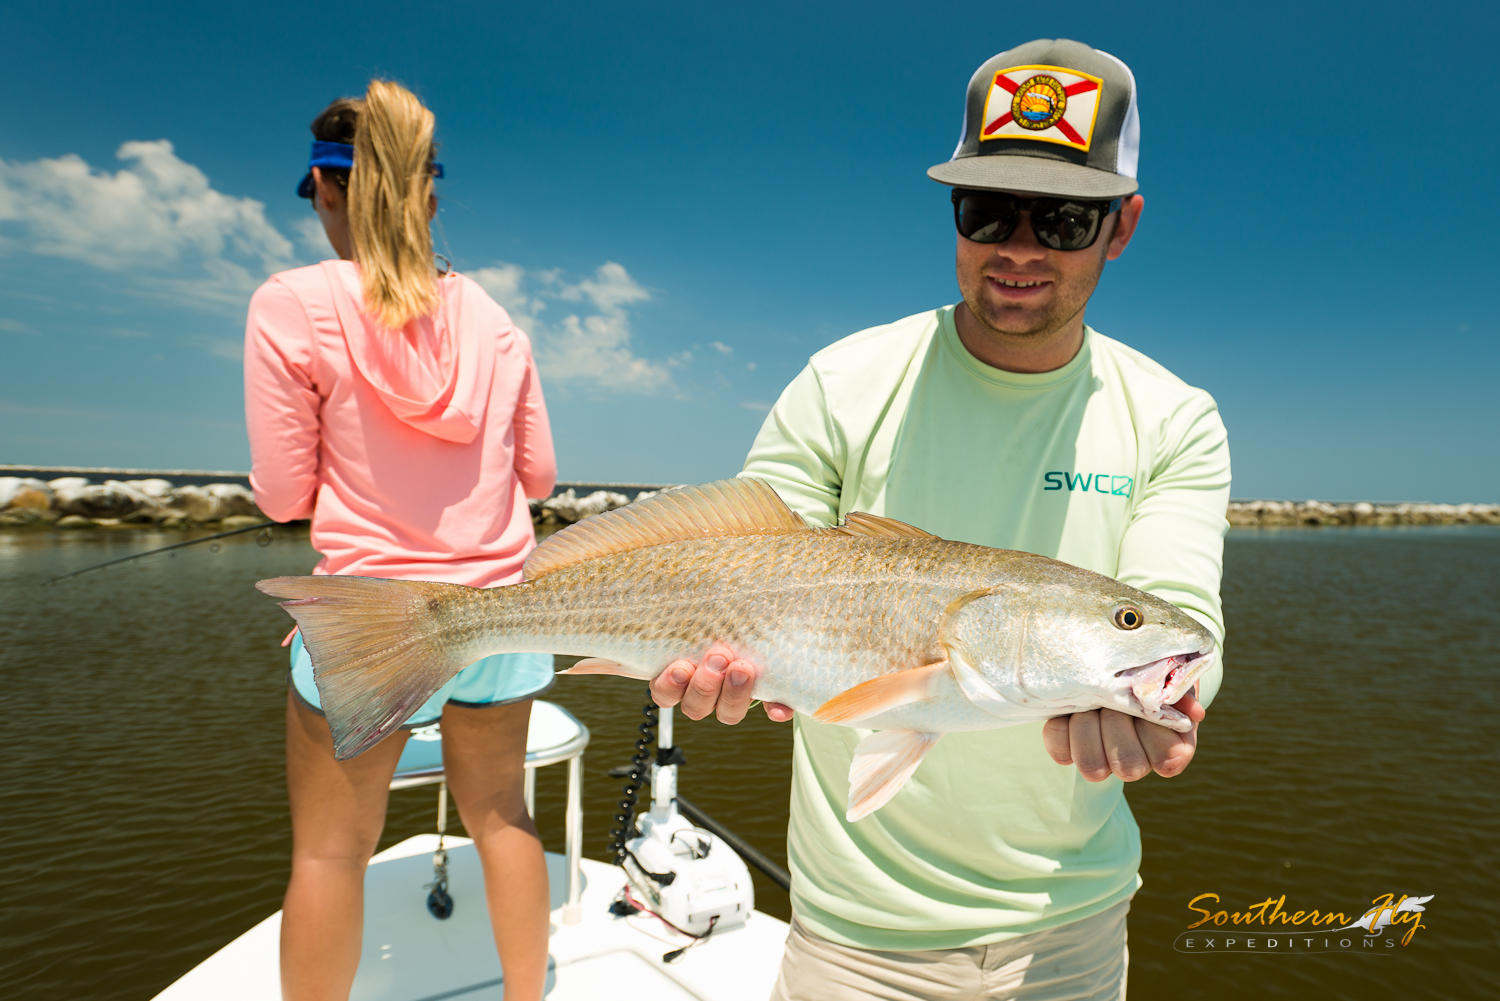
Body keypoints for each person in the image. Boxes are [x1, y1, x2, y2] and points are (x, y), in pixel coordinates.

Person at [650, 39, 1229, 1000]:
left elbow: (1175, 612)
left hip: (1072, 933)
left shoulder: (1173, 416)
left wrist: (1175, 702)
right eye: (987, 209)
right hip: (849, 938)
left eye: (1064, 218)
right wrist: (704, 656)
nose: (1019, 245)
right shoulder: (846, 380)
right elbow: (738, 559)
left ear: (1121, 226)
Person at [244, 81, 557, 1001]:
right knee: (504, 819)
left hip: (370, 621)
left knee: (332, 852)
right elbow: (537, 478)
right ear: (428, 194)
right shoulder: (497, 320)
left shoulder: (290, 303)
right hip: (502, 612)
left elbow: (278, 494)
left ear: (326, 188)